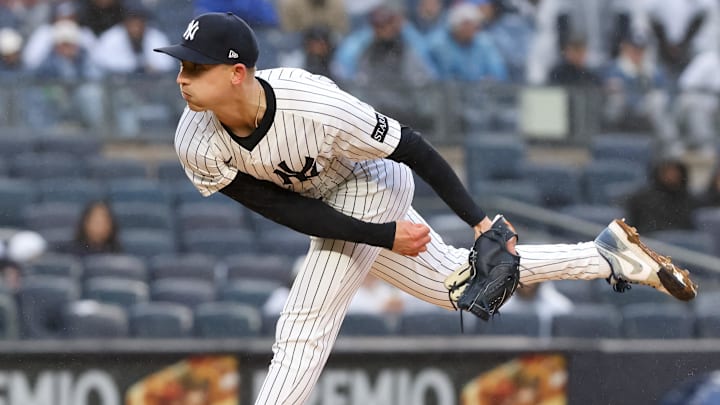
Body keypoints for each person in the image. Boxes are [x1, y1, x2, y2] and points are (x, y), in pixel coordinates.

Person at [154, 12, 697, 404]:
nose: (182, 77)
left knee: (303, 322)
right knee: (454, 286)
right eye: (181, 64)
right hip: (328, 204)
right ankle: (607, 255)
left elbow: (411, 146)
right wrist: (382, 237)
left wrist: (479, 220)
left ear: (236, 73)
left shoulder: (313, 102)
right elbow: (285, 212)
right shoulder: (195, 140)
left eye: (195, 68)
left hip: (373, 179)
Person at [624, 158, 698, 234]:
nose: (672, 175)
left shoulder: (691, 200)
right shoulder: (640, 199)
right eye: (667, 172)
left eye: (675, 172)